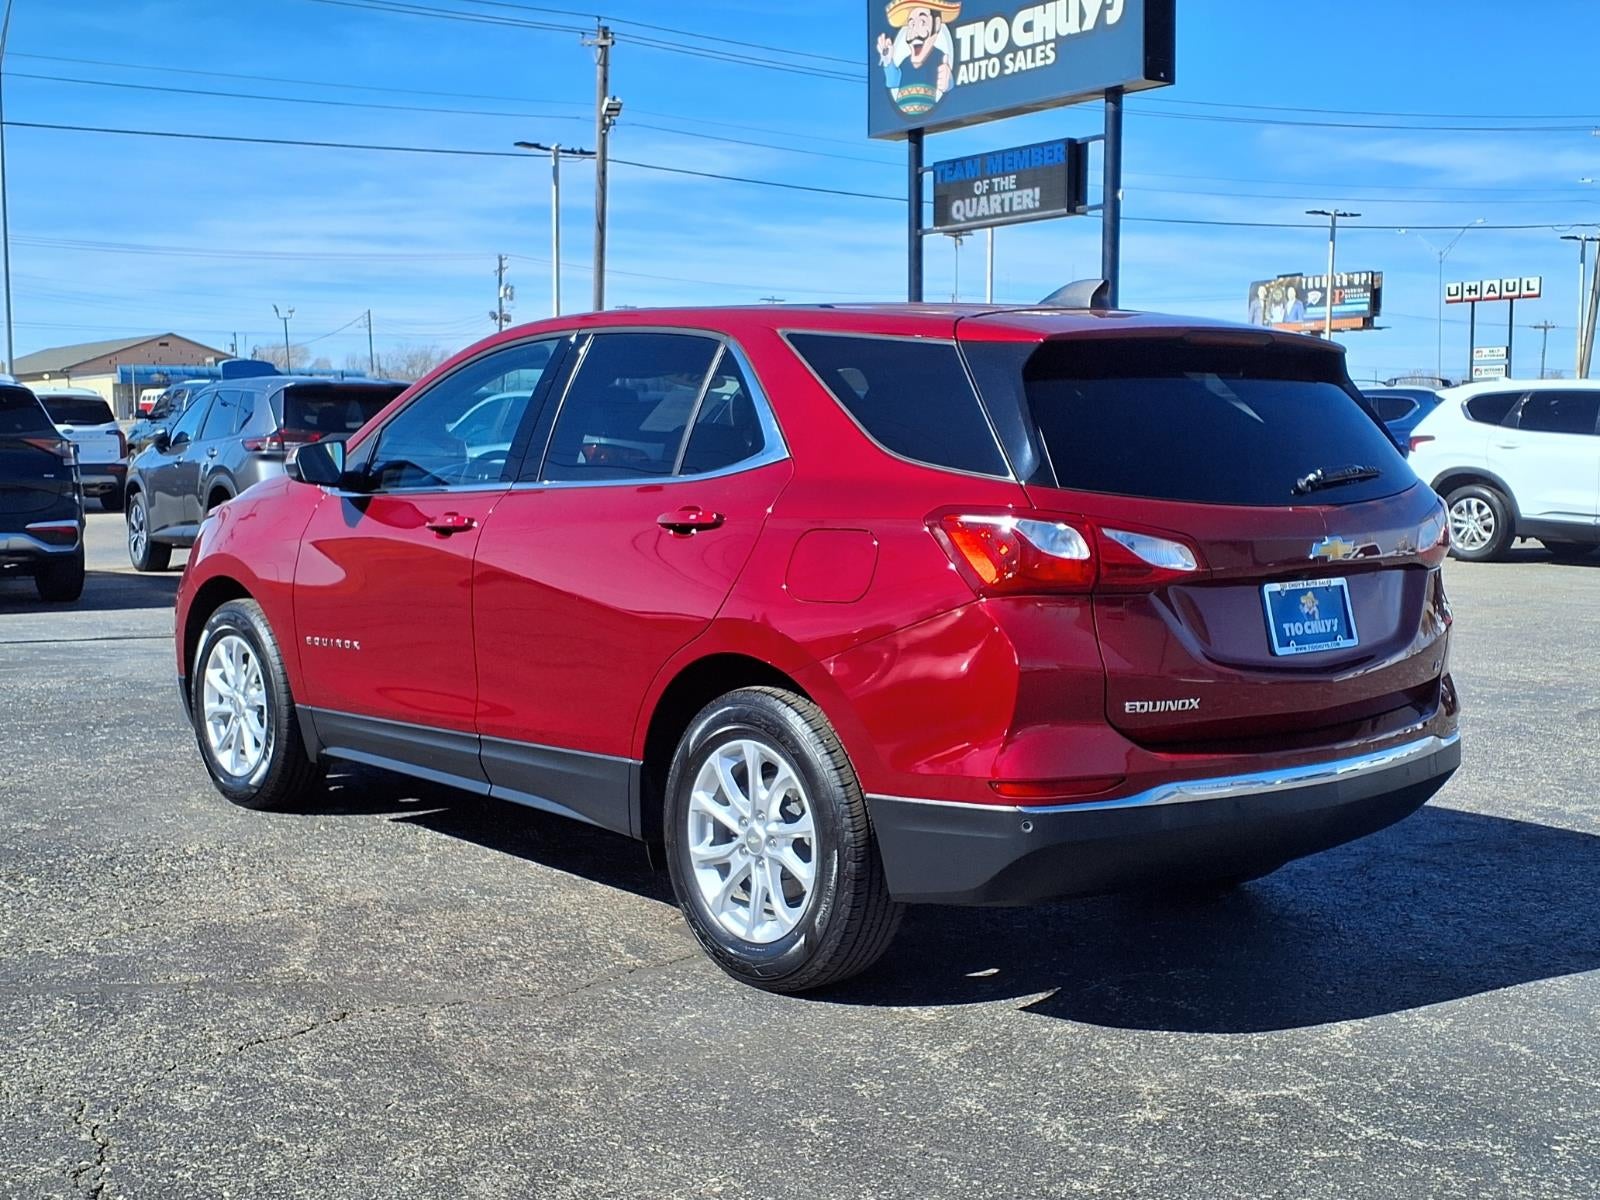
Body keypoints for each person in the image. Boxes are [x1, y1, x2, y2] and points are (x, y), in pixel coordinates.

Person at [876, 1, 960, 119]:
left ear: (936, 24)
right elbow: (893, 82)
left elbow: (948, 85)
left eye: (922, 22)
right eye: (911, 25)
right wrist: (888, 61)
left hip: (928, 115)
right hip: (903, 119)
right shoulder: (905, 62)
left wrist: (949, 83)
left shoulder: (939, 57)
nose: (914, 33)